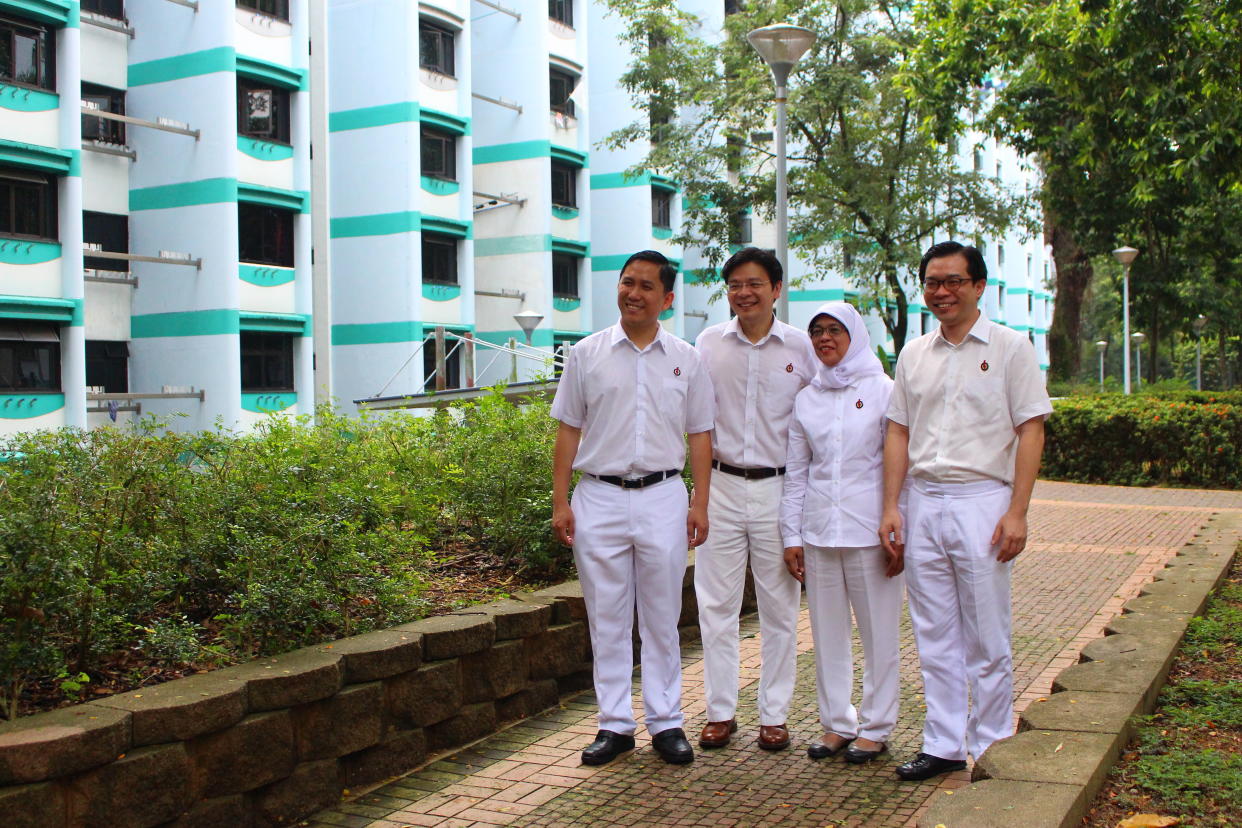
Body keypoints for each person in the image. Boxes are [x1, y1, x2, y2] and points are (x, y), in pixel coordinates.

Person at [879, 241, 1052, 781]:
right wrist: (891, 505)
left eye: (954, 281)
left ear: (978, 286)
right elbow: (899, 432)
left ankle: (993, 743)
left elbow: (1031, 429)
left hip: (983, 501)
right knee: (933, 631)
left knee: (987, 633)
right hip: (924, 501)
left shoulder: (1009, 348)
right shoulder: (913, 354)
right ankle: (944, 742)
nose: (942, 291)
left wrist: (1018, 510)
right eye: (933, 282)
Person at [551, 250, 716, 767]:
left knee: (663, 616)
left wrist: (700, 502)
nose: (634, 293)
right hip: (597, 496)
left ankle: (667, 722)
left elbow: (700, 435)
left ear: (667, 299)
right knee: (607, 616)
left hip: (664, 496)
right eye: (627, 283)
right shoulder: (587, 353)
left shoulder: (686, 358)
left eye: (647, 286)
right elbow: (568, 429)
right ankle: (615, 725)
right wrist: (560, 501)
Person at [693, 247, 818, 751]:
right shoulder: (706, 344)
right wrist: (697, 498)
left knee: (780, 607)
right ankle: (720, 712)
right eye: (735, 285)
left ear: (776, 290)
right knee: (714, 606)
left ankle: (775, 715)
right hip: (721, 486)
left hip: (780, 489)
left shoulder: (801, 349)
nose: (743, 293)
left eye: (754, 284)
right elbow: (695, 423)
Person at [781, 301, 904, 765]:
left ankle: (876, 726)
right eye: (817, 332)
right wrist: (792, 536)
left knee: (879, 634)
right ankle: (837, 724)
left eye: (835, 330)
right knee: (827, 634)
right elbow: (797, 473)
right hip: (818, 532)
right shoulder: (807, 397)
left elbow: (900, 467)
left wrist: (898, 527)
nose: (824, 339)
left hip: (869, 532)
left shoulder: (884, 390)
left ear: (855, 335)